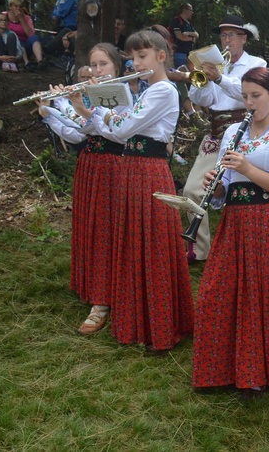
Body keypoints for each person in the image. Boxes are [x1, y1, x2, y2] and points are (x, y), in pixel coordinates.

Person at [192, 66, 269, 394]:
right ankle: (229, 370)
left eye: (256, 96)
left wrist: (247, 167)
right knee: (217, 293)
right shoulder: (234, 130)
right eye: (245, 96)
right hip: (235, 221)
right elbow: (224, 190)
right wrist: (215, 187)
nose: (249, 103)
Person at [72, 30, 193, 351]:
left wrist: (99, 103)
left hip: (149, 172)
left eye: (142, 57)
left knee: (151, 243)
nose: (135, 63)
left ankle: (160, 323)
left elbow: (123, 128)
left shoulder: (164, 90)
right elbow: (119, 132)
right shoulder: (148, 91)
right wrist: (88, 107)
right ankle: (138, 316)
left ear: (161, 56)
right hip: (132, 168)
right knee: (131, 241)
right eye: (133, 58)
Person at [36, 44, 126, 334]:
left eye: (103, 64)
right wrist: (50, 111)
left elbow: (101, 127)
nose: (97, 70)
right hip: (90, 165)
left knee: (106, 230)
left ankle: (105, 300)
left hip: (113, 167)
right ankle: (92, 287)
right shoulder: (92, 94)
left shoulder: (121, 94)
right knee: (89, 226)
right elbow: (77, 134)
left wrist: (70, 104)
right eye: (93, 65)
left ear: (116, 67)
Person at [184, 15, 266, 263]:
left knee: (247, 192)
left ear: (243, 38)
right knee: (191, 190)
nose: (227, 40)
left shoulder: (257, 63)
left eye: (232, 35)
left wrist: (220, 78)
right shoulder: (216, 64)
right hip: (217, 132)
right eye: (223, 36)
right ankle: (200, 248)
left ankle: (252, 247)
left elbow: (250, 96)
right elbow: (202, 100)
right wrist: (205, 79)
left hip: (247, 131)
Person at [5, 0, 45, 70]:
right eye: (16, 6)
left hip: (26, 44)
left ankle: (40, 61)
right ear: (10, 7)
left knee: (34, 37)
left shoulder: (27, 18)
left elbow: (30, 34)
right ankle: (26, 63)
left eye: (20, 6)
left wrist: (21, 19)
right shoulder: (5, 15)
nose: (18, 8)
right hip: (12, 44)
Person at [170, 3, 199, 69]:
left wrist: (187, 33)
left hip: (189, 54)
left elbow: (197, 35)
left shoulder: (188, 23)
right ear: (185, 10)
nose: (192, 12)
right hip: (180, 53)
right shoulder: (177, 21)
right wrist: (192, 39)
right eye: (191, 10)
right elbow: (179, 36)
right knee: (181, 74)